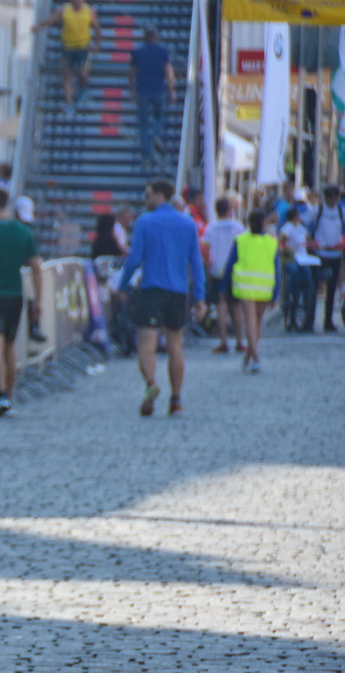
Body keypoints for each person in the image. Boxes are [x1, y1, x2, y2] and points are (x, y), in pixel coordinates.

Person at [116, 178, 206, 416]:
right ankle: (176, 399)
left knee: (146, 344)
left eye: (148, 195)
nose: (145, 200)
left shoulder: (145, 222)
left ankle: (151, 384)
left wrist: (123, 286)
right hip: (178, 292)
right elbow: (195, 263)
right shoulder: (187, 223)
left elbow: (134, 260)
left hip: (151, 290)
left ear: (160, 196)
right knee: (176, 345)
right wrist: (200, 297)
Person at [0, 187, 44, 415]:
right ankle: (9, 393)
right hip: (16, 293)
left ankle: (0, 394)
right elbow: (37, 266)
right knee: (9, 345)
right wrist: (38, 299)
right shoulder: (23, 231)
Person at [227, 209, 278, 372]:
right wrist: (275, 294)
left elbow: (230, 264)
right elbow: (276, 268)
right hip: (264, 287)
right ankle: (252, 356)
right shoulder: (271, 242)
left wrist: (224, 287)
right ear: (264, 222)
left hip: (245, 284)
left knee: (250, 322)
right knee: (257, 323)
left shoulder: (241, 240)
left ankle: (253, 357)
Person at [201, 195, 247, 355]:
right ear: (230, 209)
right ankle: (240, 341)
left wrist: (209, 263)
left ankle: (224, 342)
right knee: (236, 306)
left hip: (217, 270)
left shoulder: (211, 227)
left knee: (221, 305)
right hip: (234, 270)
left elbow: (205, 247)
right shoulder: (238, 227)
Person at [128, 28, 176, 171]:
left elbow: (131, 73)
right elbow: (168, 72)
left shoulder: (137, 53)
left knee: (142, 126)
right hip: (158, 91)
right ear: (156, 37)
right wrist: (172, 90)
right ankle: (156, 135)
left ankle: (147, 157)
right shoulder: (163, 52)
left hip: (142, 91)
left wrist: (131, 91)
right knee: (159, 117)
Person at [36, 0, 98, 109]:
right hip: (67, 48)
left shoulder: (89, 11)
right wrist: (39, 26)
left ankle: (83, 92)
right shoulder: (65, 9)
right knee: (67, 75)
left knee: (83, 73)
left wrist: (97, 44)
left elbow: (97, 27)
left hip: (82, 48)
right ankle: (69, 102)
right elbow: (52, 19)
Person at [307, 184, 345, 330]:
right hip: (320, 254)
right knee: (315, 288)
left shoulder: (341, 212)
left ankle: (328, 321)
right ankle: (310, 320)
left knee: (331, 289)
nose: (332, 199)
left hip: (335, 254)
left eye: (334, 196)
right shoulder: (318, 210)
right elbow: (304, 223)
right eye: (329, 196)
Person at [277, 205, 318, 333]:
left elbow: (309, 239)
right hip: (292, 260)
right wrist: (290, 249)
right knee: (294, 279)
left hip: (303, 259)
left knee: (308, 280)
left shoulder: (301, 228)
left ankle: (306, 306)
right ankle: (292, 300)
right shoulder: (287, 228)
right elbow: (282, 244)